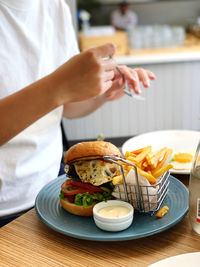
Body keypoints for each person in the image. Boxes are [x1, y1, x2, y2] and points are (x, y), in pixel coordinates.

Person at [0, 0, 155, 226]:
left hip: (50, 191)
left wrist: (104, 92)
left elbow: (67, 108)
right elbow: (56, 92)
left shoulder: (55, 7)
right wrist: (57, 86)